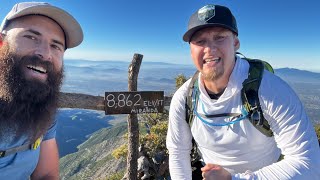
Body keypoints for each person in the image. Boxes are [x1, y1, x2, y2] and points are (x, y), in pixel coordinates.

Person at [166, 4, 320, 179]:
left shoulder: (270, 90)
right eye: (200, 41)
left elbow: (309, 164)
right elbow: (178, 151)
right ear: (191, 50)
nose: (209, 48)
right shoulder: (184, 98)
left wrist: (234, 179)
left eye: (219, 37)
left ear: (235, 43)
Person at [0, 2, 83, 179]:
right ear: (1, 42)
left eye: (56, 46)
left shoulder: (42, 108)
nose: (45, 53)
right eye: (31, 37)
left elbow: (46, 174)